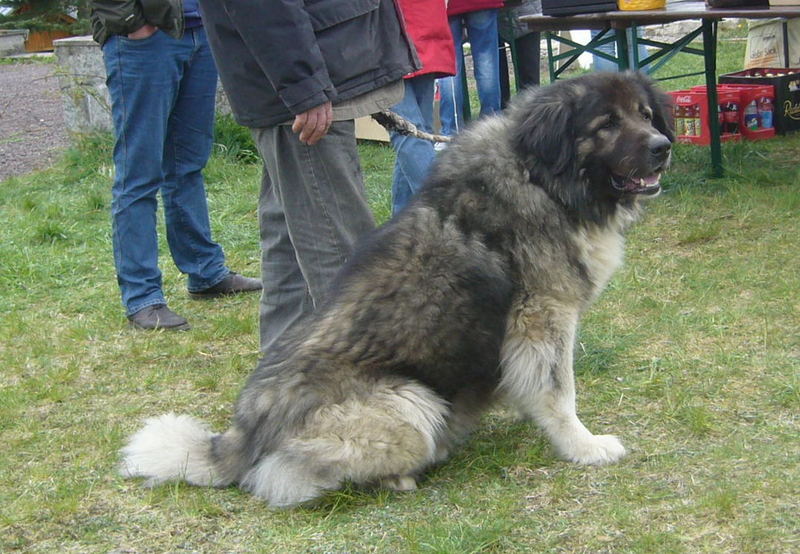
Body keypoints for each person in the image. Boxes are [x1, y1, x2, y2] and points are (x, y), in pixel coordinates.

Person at [196, 0, 420, 352]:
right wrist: (303, 86)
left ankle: (283, 376)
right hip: (307, 83)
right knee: (341, 255)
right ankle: (359, 377)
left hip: (311, 72)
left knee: (293, 247)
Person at [90, 0, 262, 331]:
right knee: (139, 174)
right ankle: (142, 297)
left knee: (187, 165)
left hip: (200, 31)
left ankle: (206, 272)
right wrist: (132, 22)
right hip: (144, 39)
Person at [389, 0, 456, 216]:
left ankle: (446, 213)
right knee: (415, 134)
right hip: (421, 25)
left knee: (411, 134)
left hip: (391, 29)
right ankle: (402, 221)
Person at [438, 0, 505, 137]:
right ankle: (491, 127)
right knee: (486, 60)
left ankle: (451, 130)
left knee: (450, 62)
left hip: (446, 5)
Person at [498, 0, 541, 108]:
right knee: (498, 82)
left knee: (529, 82)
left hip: (526, 14)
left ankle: (529, 112)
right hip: (494, 15)